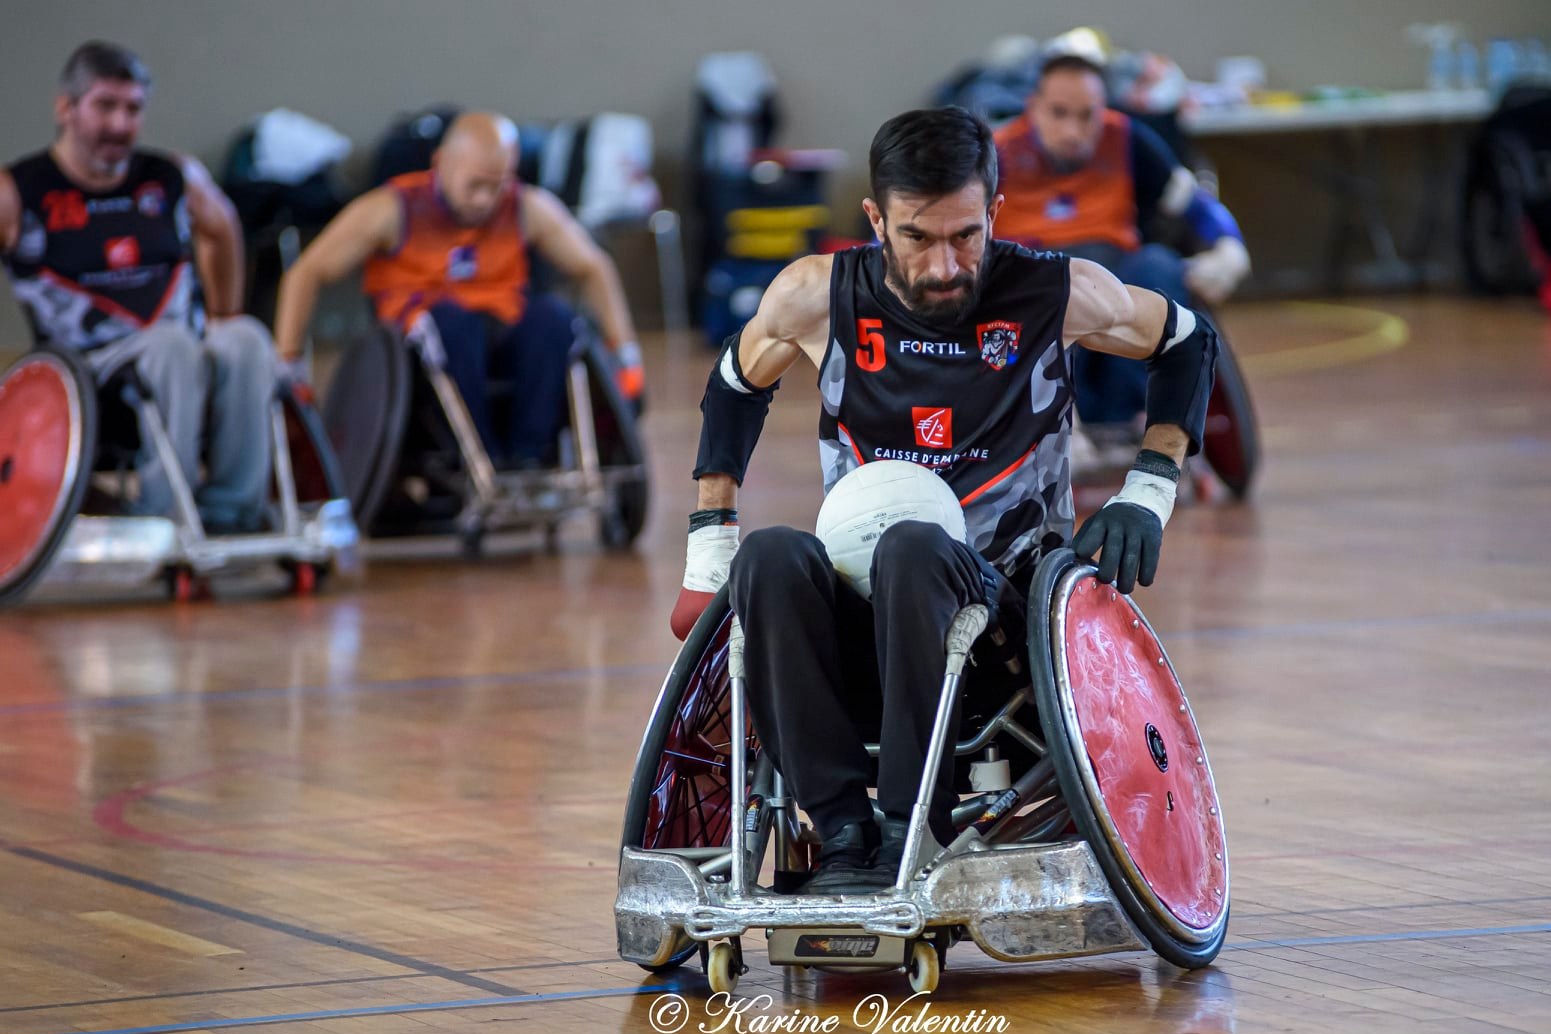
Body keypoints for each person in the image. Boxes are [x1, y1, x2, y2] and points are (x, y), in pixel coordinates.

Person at [668, 107, 1219, 894]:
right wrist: (708, 546)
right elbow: (732, 385)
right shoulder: (814, 295)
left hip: (1002, 626)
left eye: (965, 235)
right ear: (874, 220)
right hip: (860, 619)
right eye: (916, 238)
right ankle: (842, 830)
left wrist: (1148, 489)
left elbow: (1187, 341)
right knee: (771, 554)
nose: (943, 265)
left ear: (993, 211)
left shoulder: (1052, 292)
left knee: (914, 546)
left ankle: (906, 823)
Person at [0, 41, 279, 532]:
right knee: (170, 346)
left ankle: (231, 513)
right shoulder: (20, 190)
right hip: (89, 371)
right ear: (66, 108)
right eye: (105, 106)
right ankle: (163, 515)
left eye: (133, 109)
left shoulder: (170, 175)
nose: (121, 125)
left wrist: (223, 312)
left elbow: (223, 228)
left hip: (181, 350)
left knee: (246, 338)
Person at [274, 112, 644, 469]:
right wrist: (289, 365)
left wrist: (626, 358)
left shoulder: (525, 206)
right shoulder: (392, 209)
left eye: (496, 184)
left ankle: (528, 457)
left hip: (499, 331)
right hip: (421, 348)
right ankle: (482, 461)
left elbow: (594, 267)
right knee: (451, 325)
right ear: (441, 164)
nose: (485, 199)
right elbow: (306, 272)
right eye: (475, 185)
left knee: (555, 318)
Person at [990, 39, 1249, 466]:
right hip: (1034, 300)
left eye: (1086, 115)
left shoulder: (1129, 140)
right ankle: (1055, 420)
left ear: (1104, 107)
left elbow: (1198, 206)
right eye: (1059, 113)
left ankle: (1147, 412)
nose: (1073, 131)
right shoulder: (996, 152)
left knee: (1160, 264)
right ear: (1033, 106)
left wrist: (1229, 247)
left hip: (1114, 293)